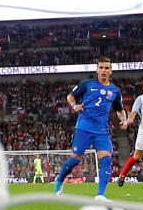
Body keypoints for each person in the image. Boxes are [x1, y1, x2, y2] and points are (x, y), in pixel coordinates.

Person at [54, 58, 126, 202]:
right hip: (84, 127)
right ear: (97, 70)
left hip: (102, 130)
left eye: (107, 68)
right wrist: (75, 106)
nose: (104, 70)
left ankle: (100, 195)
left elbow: (120, 110)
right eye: (102, 68)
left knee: (107, 160)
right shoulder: (87, 84)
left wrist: (123, 119)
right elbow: (70, 96)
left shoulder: (115, 90)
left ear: (111, 71)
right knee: (75, 160)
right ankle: (60, 179)